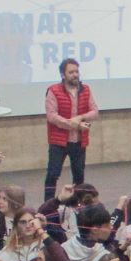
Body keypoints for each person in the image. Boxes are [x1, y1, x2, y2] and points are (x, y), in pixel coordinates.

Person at [43, 57, 99, 201]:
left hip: (79, 141)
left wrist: (80, 118)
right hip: (59, 141)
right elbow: (52, 116)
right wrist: (73, 124)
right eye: (71, 72)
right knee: (52, 174)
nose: (75, 74)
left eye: (76, 71)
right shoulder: (53, 91)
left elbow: (94, 112)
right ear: (63, 75)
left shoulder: (86, 89)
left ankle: (78, 205)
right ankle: (47, 207)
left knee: (79, 176)